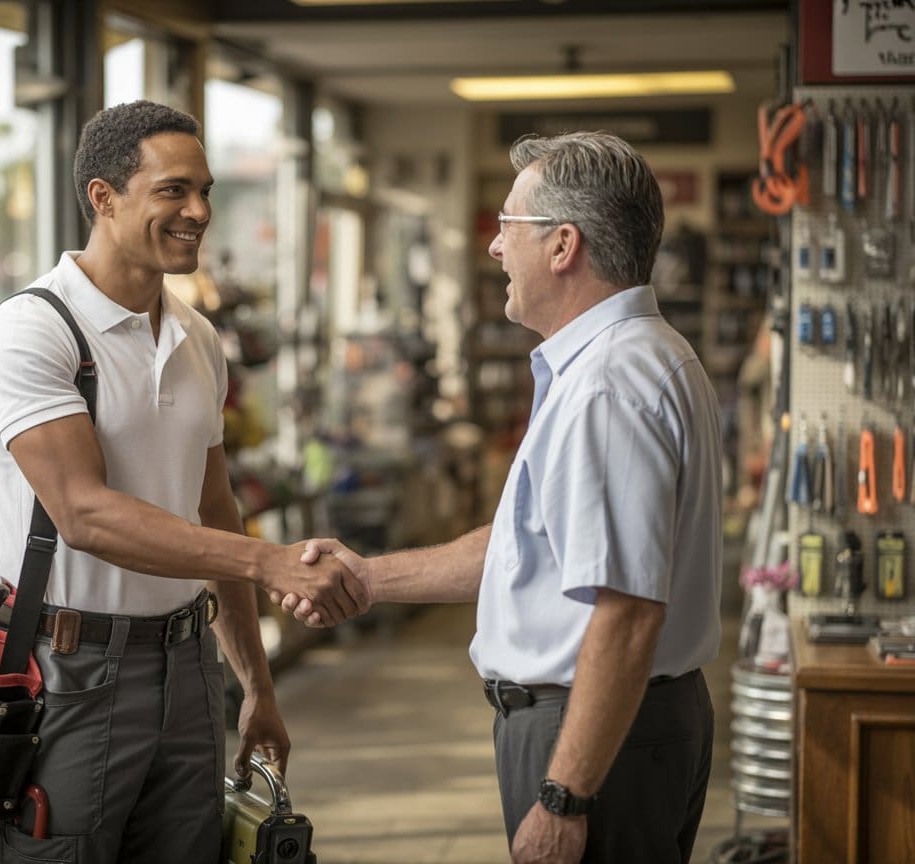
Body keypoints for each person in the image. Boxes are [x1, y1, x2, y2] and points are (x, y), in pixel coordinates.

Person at [289, 131, 722, 864]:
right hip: (624, 726)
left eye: (507, 226)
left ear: (563, 246)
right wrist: (369, 577)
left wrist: (564, 798)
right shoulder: (642, 357)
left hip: (591, 737)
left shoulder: (607, 387)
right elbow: (530, 546)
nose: (494, 248)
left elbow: (626, 610)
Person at [0, 100, 367, 864]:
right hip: (70, 669)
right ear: (104, 197)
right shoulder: (33, 329)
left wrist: (256, 684)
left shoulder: (197, 337)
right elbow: (84, 513)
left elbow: (217, 512)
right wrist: (269, 562)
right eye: (174, 190)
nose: (199, 212)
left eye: (204, 191)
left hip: (190, 667)